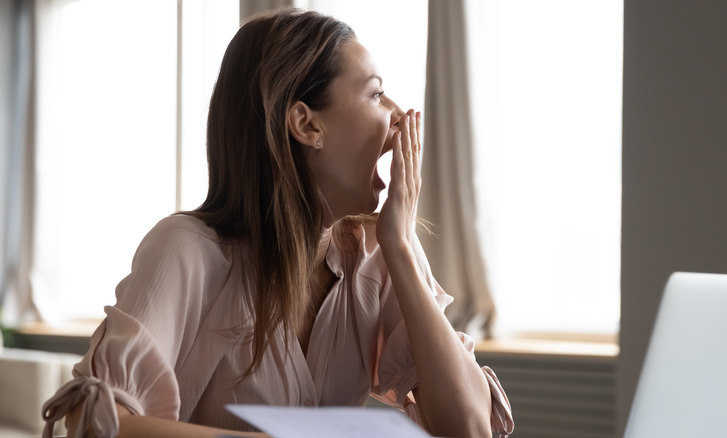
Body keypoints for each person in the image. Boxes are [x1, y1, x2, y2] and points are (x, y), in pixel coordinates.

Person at [41, 8, 513, 438]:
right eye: (376, 93)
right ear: (307, 126)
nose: (398, 116)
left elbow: (471, 427)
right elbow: (93, 421)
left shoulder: (379, 253)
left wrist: (402, 248)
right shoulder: (186, 250)